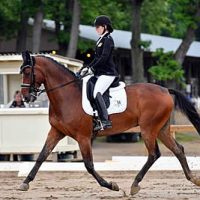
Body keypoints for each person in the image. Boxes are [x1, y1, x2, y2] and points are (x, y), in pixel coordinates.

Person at [81, 15, 119, 130]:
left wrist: (92, 68)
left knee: (97, 92)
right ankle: (95, 116)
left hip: (108, 73)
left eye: (98, 27)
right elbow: (97, 58)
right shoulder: (100, 39)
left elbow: (104, 58)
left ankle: (105, 120)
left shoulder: (108, 40)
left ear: (105, 26)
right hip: (101, 72)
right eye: (96, 27)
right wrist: (88, 67)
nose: (96, 29)